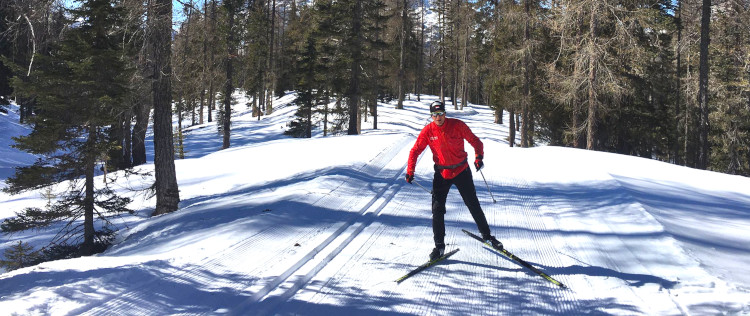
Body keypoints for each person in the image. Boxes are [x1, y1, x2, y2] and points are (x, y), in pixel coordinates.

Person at [405, 101, 502, 261]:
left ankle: (487, 236)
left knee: (472, 204)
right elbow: (415, 151)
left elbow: (476, 142)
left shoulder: (457, 125)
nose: (438, 117)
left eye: (441, 113)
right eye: (435, 115)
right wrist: (410, 170)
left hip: (461, 170)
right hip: (442, 173)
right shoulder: (428, 131)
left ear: (445, 113)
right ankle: (439, 247)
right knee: (437, 210)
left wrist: (478, 157)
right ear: (431, 116)